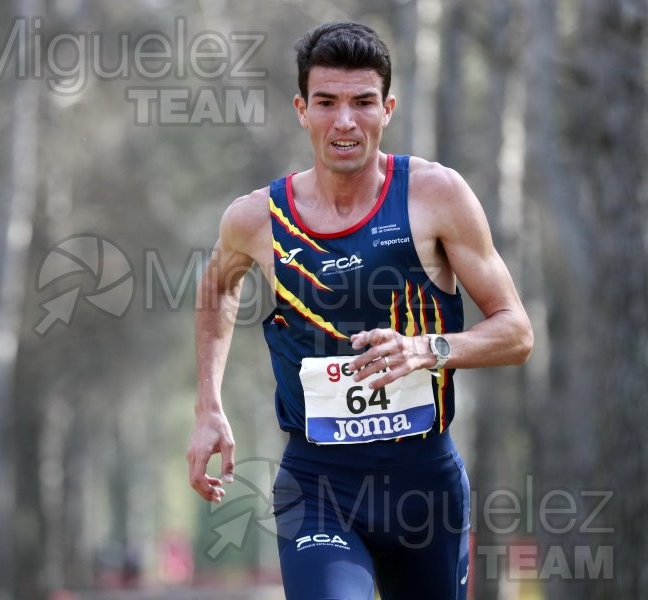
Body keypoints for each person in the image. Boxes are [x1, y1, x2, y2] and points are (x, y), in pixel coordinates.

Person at [187, 22, 533, 600]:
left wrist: (429, 348)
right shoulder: (256, 219)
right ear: (302, 109)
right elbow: (217, 289)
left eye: (362, 102)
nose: (345, 121)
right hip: (318, 487)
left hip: (425, 487)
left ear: (387, 108)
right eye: (326, 102)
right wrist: (208, 406)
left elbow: (517, 332)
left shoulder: (435, 195)